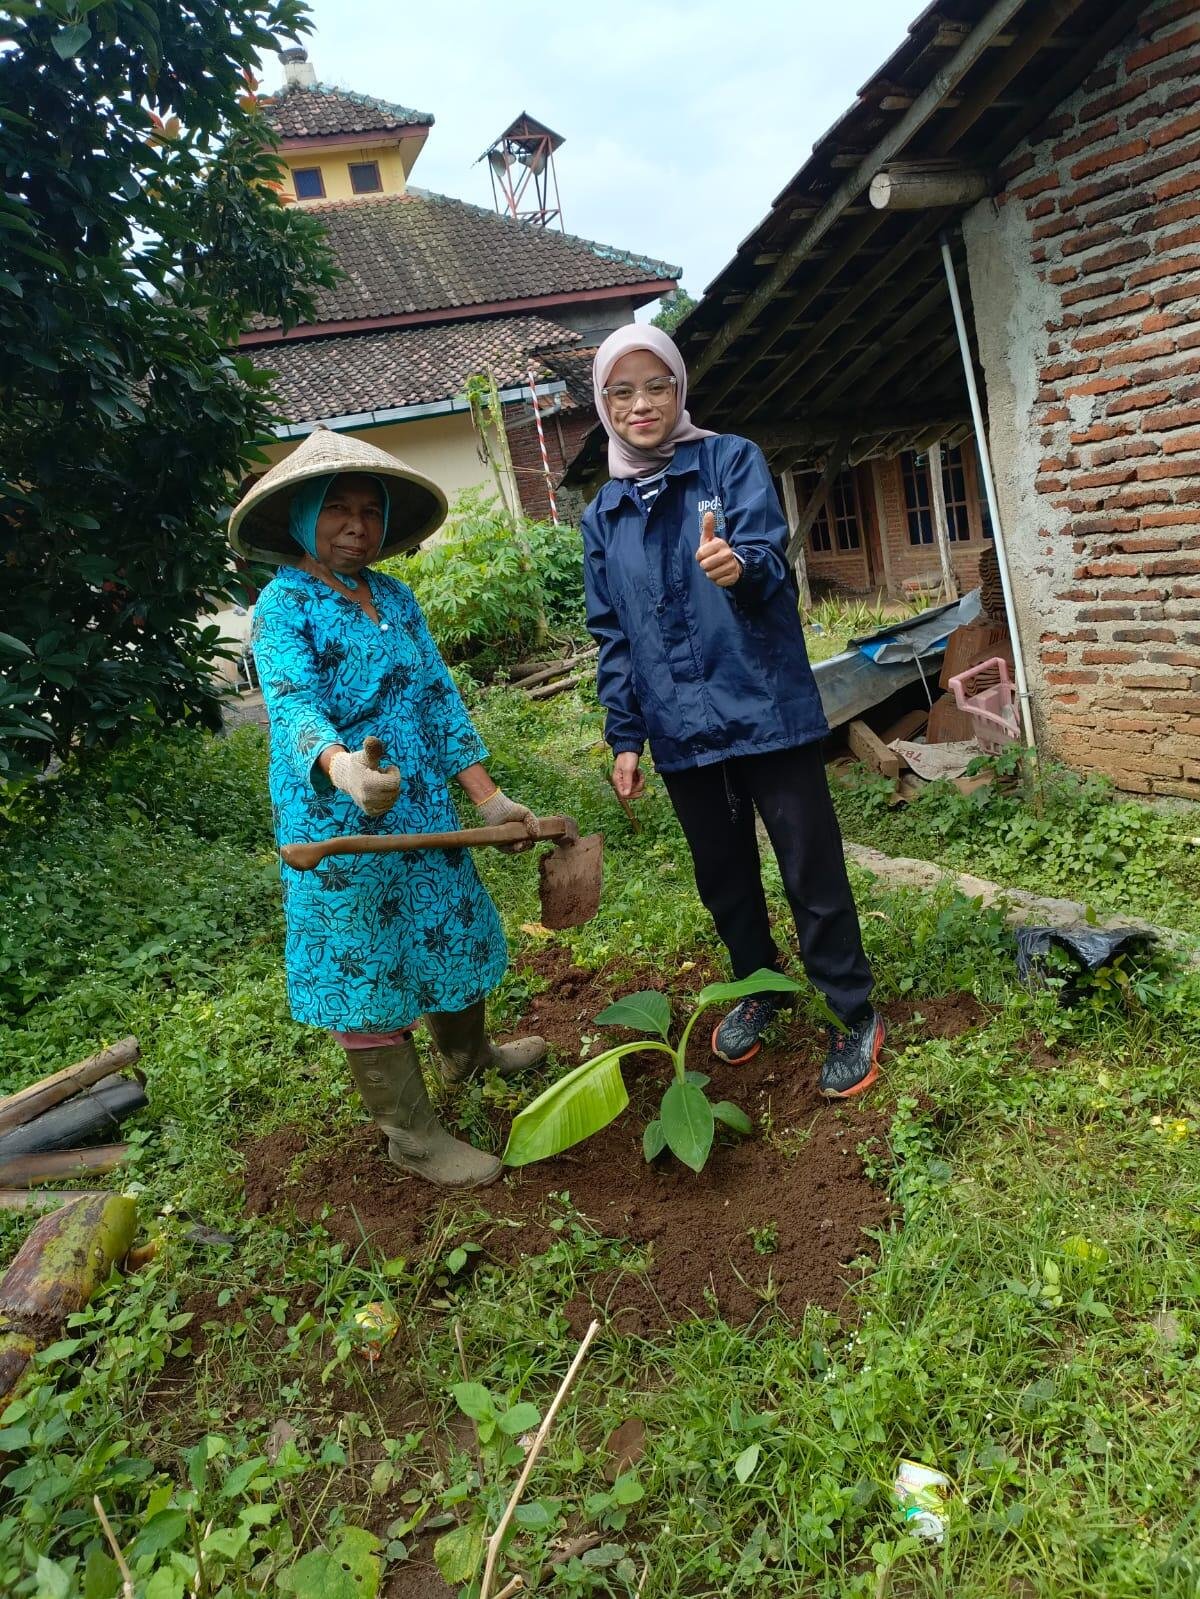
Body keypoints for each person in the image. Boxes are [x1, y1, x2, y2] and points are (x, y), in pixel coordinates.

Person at [229, 426, 546, 1189]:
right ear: (303, 517)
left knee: (448, 928)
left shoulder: (397, 598)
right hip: (340, 829)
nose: (357, 526)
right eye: (338, 509)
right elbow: (293, 703)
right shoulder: (283, 605)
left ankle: (468, 1057)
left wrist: (489, 797)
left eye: (370, 510)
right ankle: (413, 1135)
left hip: (424, 812)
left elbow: (438, 700)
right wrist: (343, 768)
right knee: (365, 966)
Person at [581, 326, 884, 1096]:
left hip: (765, 707)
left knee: (809, 866)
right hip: (681, 727)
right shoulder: (603, 514)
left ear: (679, 389)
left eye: (657, 385)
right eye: (622, 391)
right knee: (724, 878)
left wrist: (738, 565)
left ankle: (852, 1009)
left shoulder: (728, 461)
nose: (641, 404)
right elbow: (612, 634)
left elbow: (769, 559)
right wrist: (626, 736)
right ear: (604, 404)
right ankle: (758, 986)